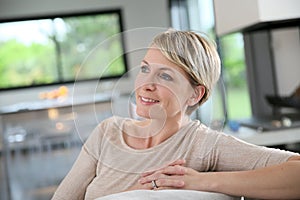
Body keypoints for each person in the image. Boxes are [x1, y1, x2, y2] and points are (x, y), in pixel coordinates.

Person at [52, 29, 300, 200]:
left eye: (165, 76)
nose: (145, 84)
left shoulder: (202, 144)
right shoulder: (108, 132)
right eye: (145, 69)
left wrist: (197, 182)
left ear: (195, 95)